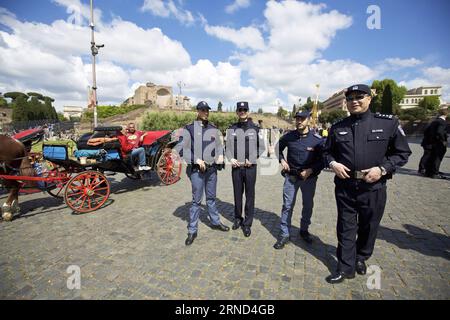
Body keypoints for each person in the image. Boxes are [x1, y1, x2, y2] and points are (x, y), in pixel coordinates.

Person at [323, 84, 411, 284]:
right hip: (345, 186)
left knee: (369, 226)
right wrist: (332, 163)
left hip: (373, 188)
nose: (354, 101)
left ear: (369, 99)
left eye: (359, 97)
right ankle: (345, 268)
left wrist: (382, 169)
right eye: (350, 98)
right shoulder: (338, 127)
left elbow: (402, 153)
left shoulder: (388, 123)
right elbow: (326, 152)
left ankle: (361, 257)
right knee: (345, 226)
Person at [177, 101, 230, 246]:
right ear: (198, 111)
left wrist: (220, 155)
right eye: (203, 110)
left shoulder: (213, 128)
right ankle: (192, 230)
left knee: (211, 198)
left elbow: (219, 146)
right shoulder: (189, 128)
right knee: (196, 201)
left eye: (207, 110)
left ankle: (215, 222)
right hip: (197, 170)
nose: (206, 112)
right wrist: (196, 159)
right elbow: (182, 149)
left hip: (212, 170)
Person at [273, 110, 325, 249]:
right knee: (287, 205)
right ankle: (284, 234)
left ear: (308, 119)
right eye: (297, 119)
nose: (299, 121)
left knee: (308, 206)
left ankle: (304, 230)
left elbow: (323, 160)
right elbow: (277, 148)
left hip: (309, 179)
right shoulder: (289, 136)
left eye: (302, 118)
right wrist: (282, 160)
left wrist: (311, 170)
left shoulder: (317, 139)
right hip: (291, 177)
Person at [226, 101, 265, 237]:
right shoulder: (231, 129)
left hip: (250, 168)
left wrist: (252, 158)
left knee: (249, 195)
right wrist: (231, 159)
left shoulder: (255, 129)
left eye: (244, 109)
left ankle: (247, 223)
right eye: (240, 110)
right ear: (237, 112)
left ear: (248, 111)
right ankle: (238, 218)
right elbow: (228, 149)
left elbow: (262, 147)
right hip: (236, 168)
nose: (242, 111)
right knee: (237, 194)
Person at [420, 108, 448, 178]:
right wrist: (443, 140)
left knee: (431, 157)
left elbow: (426, 131)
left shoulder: (434, 121)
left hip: (432, 142)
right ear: (446, 114)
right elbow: (439, 132)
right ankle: (434, 172)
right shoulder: (442, 122)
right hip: (437, 143)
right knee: (437, 158)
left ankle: (429, 171)